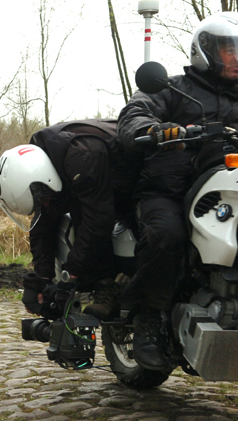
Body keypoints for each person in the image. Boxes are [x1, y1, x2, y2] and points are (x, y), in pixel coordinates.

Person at [117, 11, 238, 371]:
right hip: (168, 191)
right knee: (166, 236)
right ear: (206, 52)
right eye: (229, 49)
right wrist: (157, 130)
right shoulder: (172, 88)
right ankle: (148, 318)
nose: (236, 57)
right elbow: (134, 114)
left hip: (227, 191)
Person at [0, 120, 122, 319]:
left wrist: (69, 277)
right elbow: (41, 226)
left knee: (91, 221)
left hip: (133, 170)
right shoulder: (40, 166)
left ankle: (121, 291)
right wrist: (41, 280)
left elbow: (98, 222)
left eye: (42, 200)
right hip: (97, 183)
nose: (44, 205)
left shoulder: (81, 158)